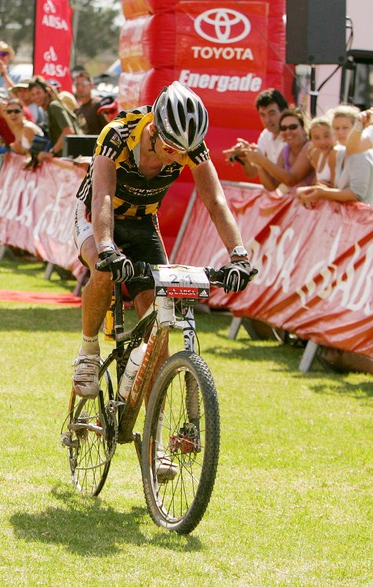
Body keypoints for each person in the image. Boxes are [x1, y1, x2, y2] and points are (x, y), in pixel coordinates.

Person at [71, 82, 255, 424]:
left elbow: (215, 201)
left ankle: (154, 440)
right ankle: (88, 351)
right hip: (96, 216)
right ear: (153, 130)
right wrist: (108, 248)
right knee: (103, 267)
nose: (177, 157)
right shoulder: (117, 135)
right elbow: (103, 198)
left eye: (183, 151)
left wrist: (239, 255)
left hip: (142, 223)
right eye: (170, 148)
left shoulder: (191, 149)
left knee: (158, 326)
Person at [297, 107, 373, 206]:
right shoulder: (340, 153)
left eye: (345, 128)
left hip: (364, 218)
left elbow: (356, 195)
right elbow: (337, 189)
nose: (340, 132)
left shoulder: (361, 154)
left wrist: (323, 193)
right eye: (336, 128)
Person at [243, 107, 314, 193]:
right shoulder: (285, 151)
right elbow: (272, 186)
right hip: (295, 202)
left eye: (293, 127)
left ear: (303, 129)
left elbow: (291, 180)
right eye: (283, 128)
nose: (288, 131)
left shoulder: (310, 147)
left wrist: (261, 159)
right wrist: (259, 165)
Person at [223, 88, 289, 180]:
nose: (267, 120)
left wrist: (260, 159)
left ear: (284, 112)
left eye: (272, 114)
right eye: (263, 115)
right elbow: (253, 172)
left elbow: (289, 179)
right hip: (277, 193)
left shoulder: (292, 136)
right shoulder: (266, 135)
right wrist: (245, 158)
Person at [28, 75, 80, 162]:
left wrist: (51, 153)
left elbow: (68, 131)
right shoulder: (47, 110)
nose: (36, 97)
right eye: (32, 94)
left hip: (74, 159)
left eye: (38, 93)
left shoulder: (54, 106)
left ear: (46, 92)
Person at [72, 69, 108, 136]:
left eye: (84, 84)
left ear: (91, 85)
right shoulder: (77, 110)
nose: (80, 88)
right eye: (77, 84)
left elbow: (108, 129)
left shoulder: (98, 105)